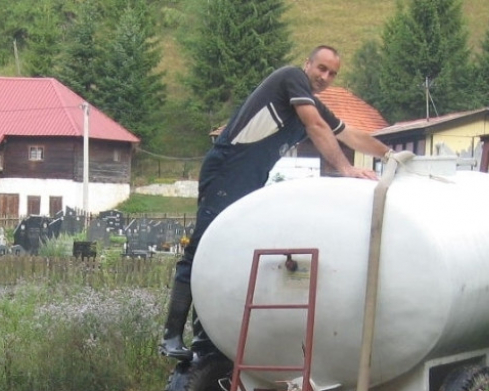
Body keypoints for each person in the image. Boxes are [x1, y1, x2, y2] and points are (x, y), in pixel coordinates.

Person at [159, 45, 393, 359]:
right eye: (321, 68)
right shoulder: (291, 78)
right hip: (227, 169)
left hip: (251, 180)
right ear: (307, 64)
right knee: (202, 249)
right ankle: (171, 336)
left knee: (228, 255)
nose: (324, 77)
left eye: (332, 73)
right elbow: (316, 127)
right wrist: (345, 169)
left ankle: (206, 341)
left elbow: (351, 135)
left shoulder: (312, 102)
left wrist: (392, 156)